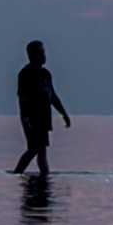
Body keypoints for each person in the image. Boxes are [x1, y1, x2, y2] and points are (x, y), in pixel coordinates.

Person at [12, 40, 72, 173]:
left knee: (41, 151)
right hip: (32, 118)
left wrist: (64, 114)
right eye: (41, 53)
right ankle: (17, 174)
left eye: (44, 52)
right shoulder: (25, 74)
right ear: (33, 55)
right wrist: (26, 118)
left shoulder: (46, 74)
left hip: (44, 118)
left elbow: (53, 97)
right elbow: (23, 98)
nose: (44, 56)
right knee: (34, 149)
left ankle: (44, 177)